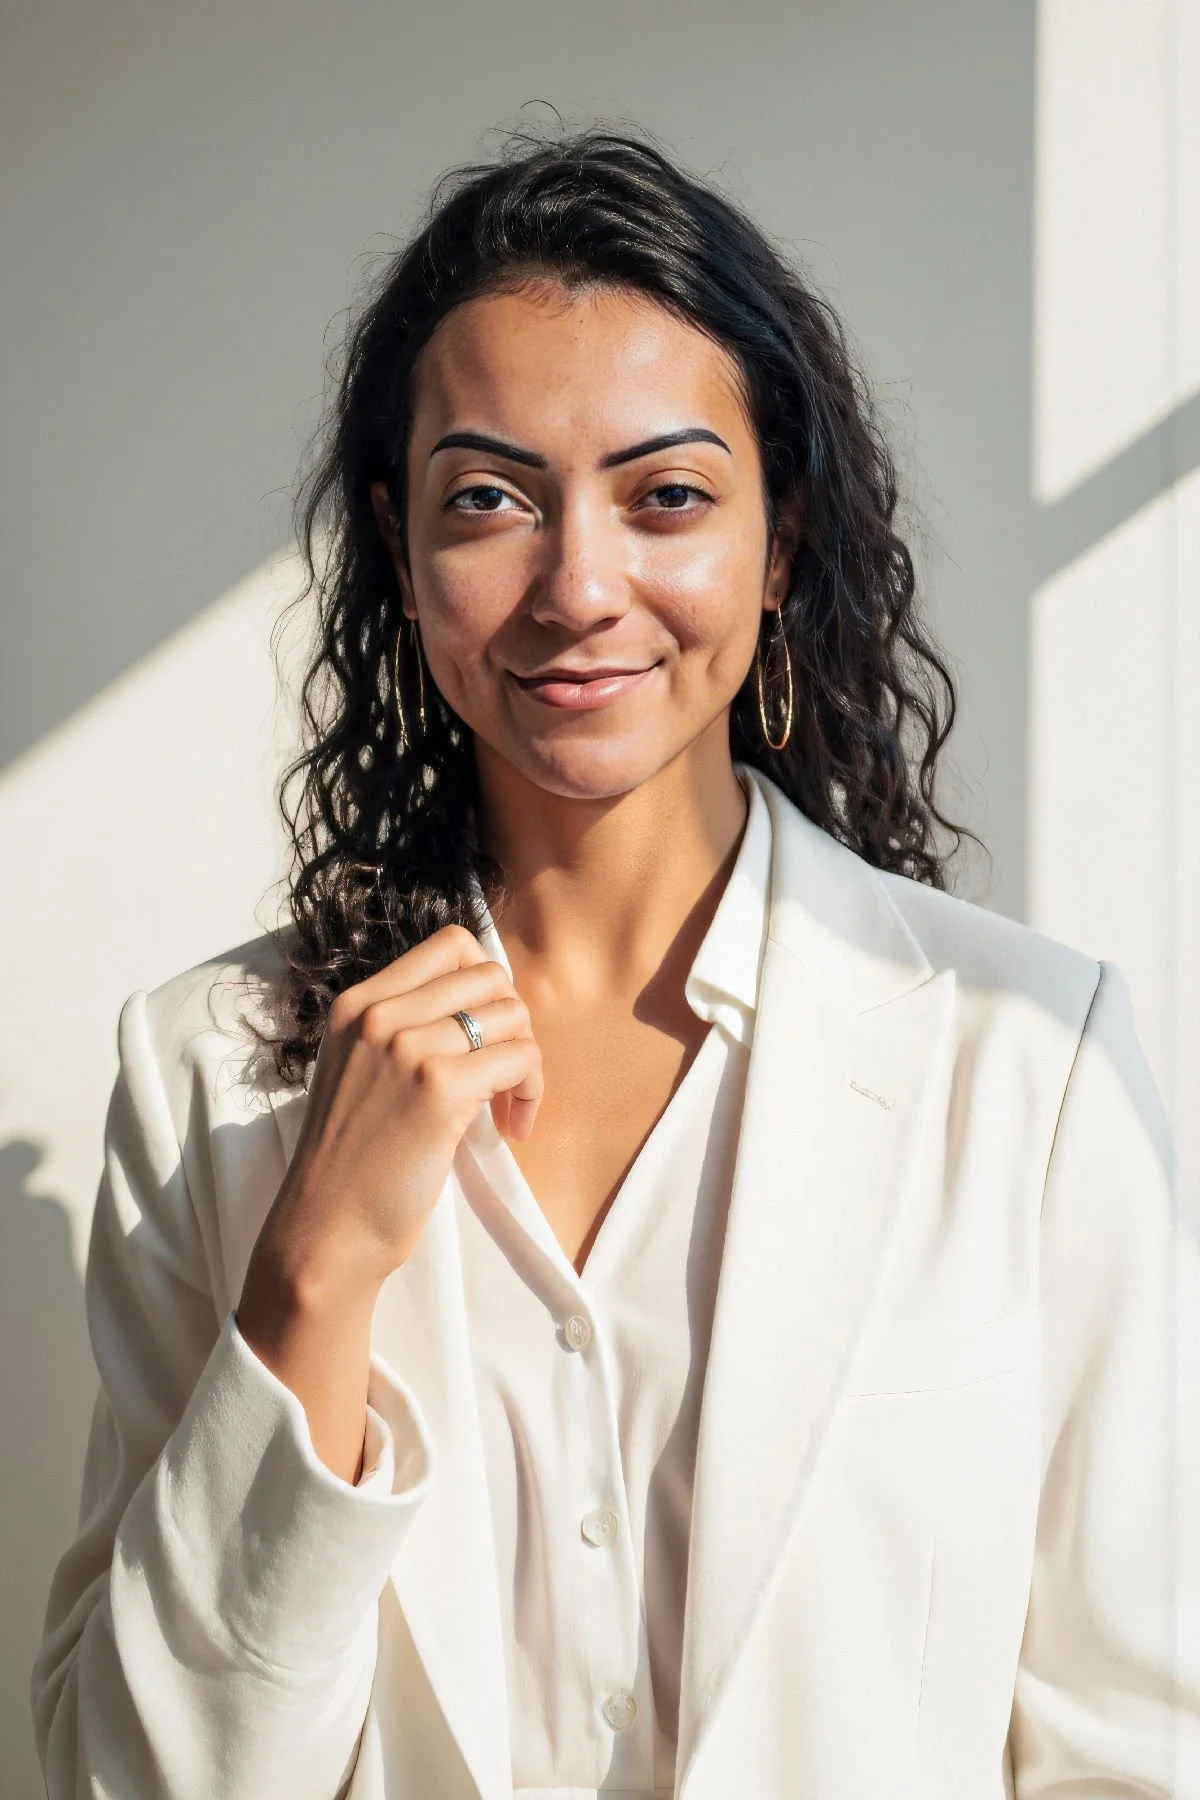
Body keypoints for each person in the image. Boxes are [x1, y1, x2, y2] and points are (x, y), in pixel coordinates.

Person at [31, 127, 1197, 1800]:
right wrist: (312, 1285)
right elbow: (116, 1778)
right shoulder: (210, 1069)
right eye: (492, 499)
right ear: (400, 546)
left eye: (668, 497)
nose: (579, 589)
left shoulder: (1033, 1063)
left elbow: (1140, 1752)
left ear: (779, 541)